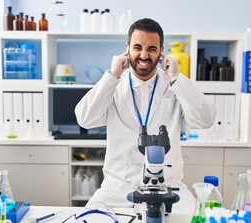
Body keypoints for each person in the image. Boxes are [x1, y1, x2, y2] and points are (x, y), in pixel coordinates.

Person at [75, 18, 216, 208]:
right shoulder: (114, 84)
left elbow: (205, 120)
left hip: (169, 186)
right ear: (127, 48)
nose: (144, 55)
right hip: (118, 187)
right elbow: (85, 119)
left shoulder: (173, 84)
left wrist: (176, 78)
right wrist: (112, 75)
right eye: (137, 47)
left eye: (151, 48)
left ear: (161, 52)